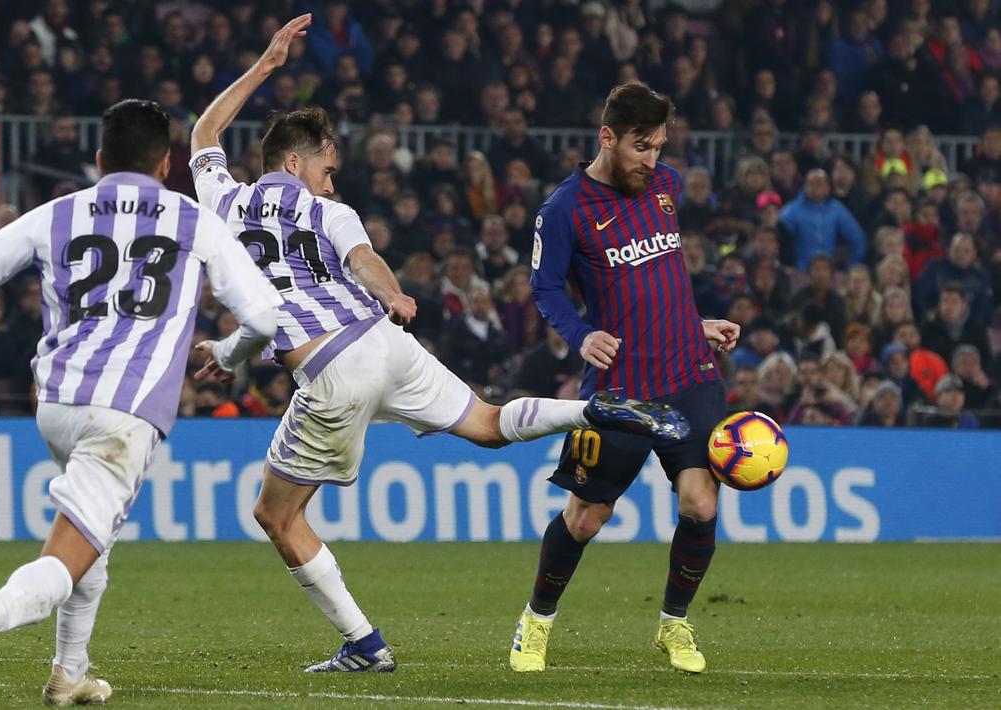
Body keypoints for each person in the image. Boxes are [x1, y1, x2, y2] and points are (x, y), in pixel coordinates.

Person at [188, 16, 688, 675]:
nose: (331, 182)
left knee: (276, 515)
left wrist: (267, 65)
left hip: (330, 368)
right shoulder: (329, 214)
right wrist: (392, 298)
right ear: (293, 162)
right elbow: (363, 260)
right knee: (485, 423)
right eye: (326, 168)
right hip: (383, 340)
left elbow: (202, 134)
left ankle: (365, 646)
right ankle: (594, 409)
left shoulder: (222, 202)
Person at [0, 99, 283, 706]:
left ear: (100, 160)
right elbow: (264, 316)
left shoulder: (57, 212)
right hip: (125, 412)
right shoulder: (191, 218)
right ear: (168, 162)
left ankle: (70, 674)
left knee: (94, 539)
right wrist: (226, 356)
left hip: (58, 403)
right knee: (68, 556)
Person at [516, 82, 741, 676]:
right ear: (607, 138)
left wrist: (696, 324)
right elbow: (544, 287)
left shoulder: (663, 188)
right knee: (587, 517)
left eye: (660, 147)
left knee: (699, 501)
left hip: (691, 374)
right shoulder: (563, 209)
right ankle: (535, 623)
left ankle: (674, 624)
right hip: (620, 390)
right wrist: (579, 334)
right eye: (642, 147)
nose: (653, 161)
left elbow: (658, 278)